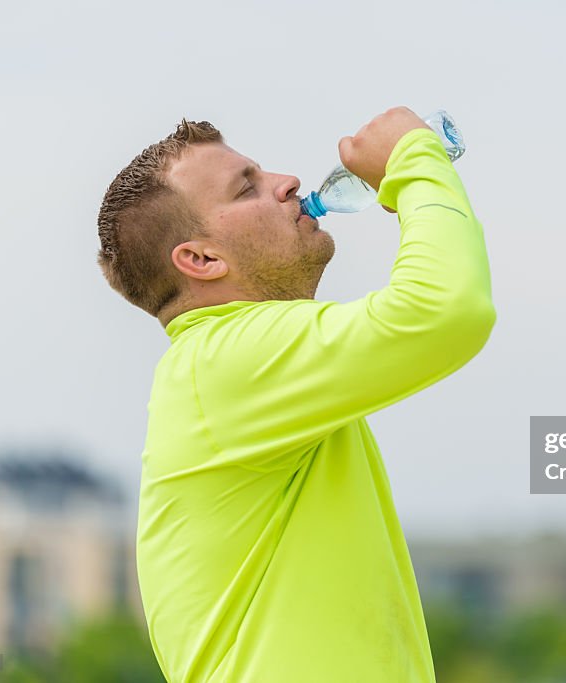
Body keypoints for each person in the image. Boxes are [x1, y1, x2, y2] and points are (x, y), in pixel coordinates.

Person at [96, 106, 495, 682]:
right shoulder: (225, 362)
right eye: (246, 187)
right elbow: (446, 310)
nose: (288, 184)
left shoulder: (239, 368)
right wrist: (413, 158)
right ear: (202, 259)